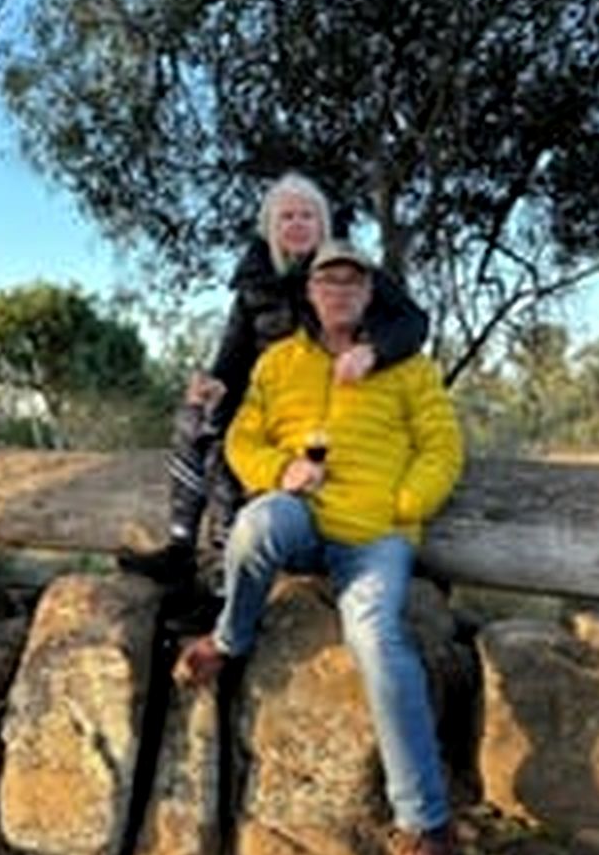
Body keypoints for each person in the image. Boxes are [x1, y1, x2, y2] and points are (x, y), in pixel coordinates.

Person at [174, 241, 463, 855]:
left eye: (351, 283)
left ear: (367, 295)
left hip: (374, 537)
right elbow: (242, 438)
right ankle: (231, 639)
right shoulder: (278, 363)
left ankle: (426, 827)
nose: (339, 291)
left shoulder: (407, 367)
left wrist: (404, 504)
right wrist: (280, 472)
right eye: (327, 281)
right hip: (300, 520)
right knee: (256, 525)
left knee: (377, 640)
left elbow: (443, 447)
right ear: (309, 292)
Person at [121, 173, 429, 590]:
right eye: (287, 217)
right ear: (270, 228)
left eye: (307, 216)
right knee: (196, 420)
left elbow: (414, 322)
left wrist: (373, 353)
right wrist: (213, 385)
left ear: (323, 224)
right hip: (262, 398)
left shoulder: (348, 271)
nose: (297, 224)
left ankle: (225, 580)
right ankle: (181, 550)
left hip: (318, 407)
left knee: (232, 455)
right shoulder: (253, 284)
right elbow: (230, 360)